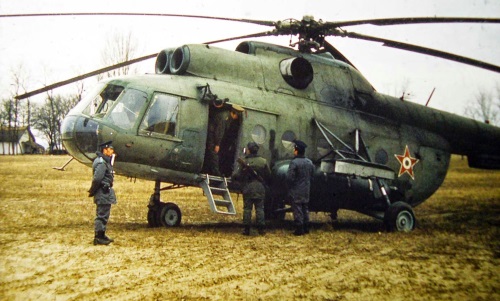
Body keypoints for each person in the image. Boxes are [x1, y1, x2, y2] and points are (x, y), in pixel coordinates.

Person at [233, 142, 271, 236]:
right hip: (260, 187)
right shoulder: (263, 161)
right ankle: (261, 229)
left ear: (249, 150)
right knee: (260, 209)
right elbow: (269, 175)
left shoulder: (245, 162)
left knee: (247, 209)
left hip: (248, 187)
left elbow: (237, 175)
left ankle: (246, 230)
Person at [203, 99, 243, 176]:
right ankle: (216, 173)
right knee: (214, 154)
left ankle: (213, 170)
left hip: (213, 135)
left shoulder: (227, 116)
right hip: (212, 135)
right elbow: (219, 131)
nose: (236, 118)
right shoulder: (225, 117)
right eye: (237, 116)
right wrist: (217, 144)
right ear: (234, 114)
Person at [88, 141, 117, 245]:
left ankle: (102, 235)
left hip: (104, 191)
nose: (112, 151)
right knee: (101, 215)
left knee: (104, 214)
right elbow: (97, 179)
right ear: (104, 150)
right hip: (103, 191)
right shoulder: (101, 163)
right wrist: (93, 190)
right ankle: (99, 237)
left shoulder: (104, 161)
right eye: (110, 149)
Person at [286, 139, 314, 236]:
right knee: (305, 208)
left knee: (297, 209)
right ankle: (306, 227)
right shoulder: (309, 162)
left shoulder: (294, 163)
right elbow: (312, 176)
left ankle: (299, 228)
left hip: (296, 190)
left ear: (296, 151)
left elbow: (290, 178)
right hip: (306, 189)